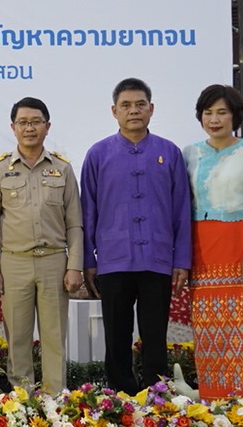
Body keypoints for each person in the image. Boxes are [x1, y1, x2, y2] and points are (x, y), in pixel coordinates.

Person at [80, 77, 192, 394]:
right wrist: (89, 260)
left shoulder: (169, 153)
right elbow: (87, 211)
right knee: (116, 337)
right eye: (126, 105)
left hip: (158, 259)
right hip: (113, 260)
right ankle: (119, 400)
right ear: (114, 111)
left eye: (140, 104)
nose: (134, 111)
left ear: (151, 109)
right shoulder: (98, 154)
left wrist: (181, 260)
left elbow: (182, 209)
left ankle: (156, 399)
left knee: (155, 336)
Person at [0, 97, 83, 393]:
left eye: (36, 122)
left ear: (47, 126)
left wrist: (74, 265)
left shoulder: (62, 169)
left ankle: (54, 401)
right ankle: (22, 401)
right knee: (17, 338)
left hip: (54, 262)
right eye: (23, 122)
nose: (29, 128)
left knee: (54, 337)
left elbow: (74, 223)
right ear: (13, 127)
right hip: (13, 263)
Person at [182, 84, 243, 399]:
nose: (214, 119)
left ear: (235, 115)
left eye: (222, 112)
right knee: (209, 332)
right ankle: (213, 403)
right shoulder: (189, 153)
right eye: (208, 112)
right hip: (202, 248)